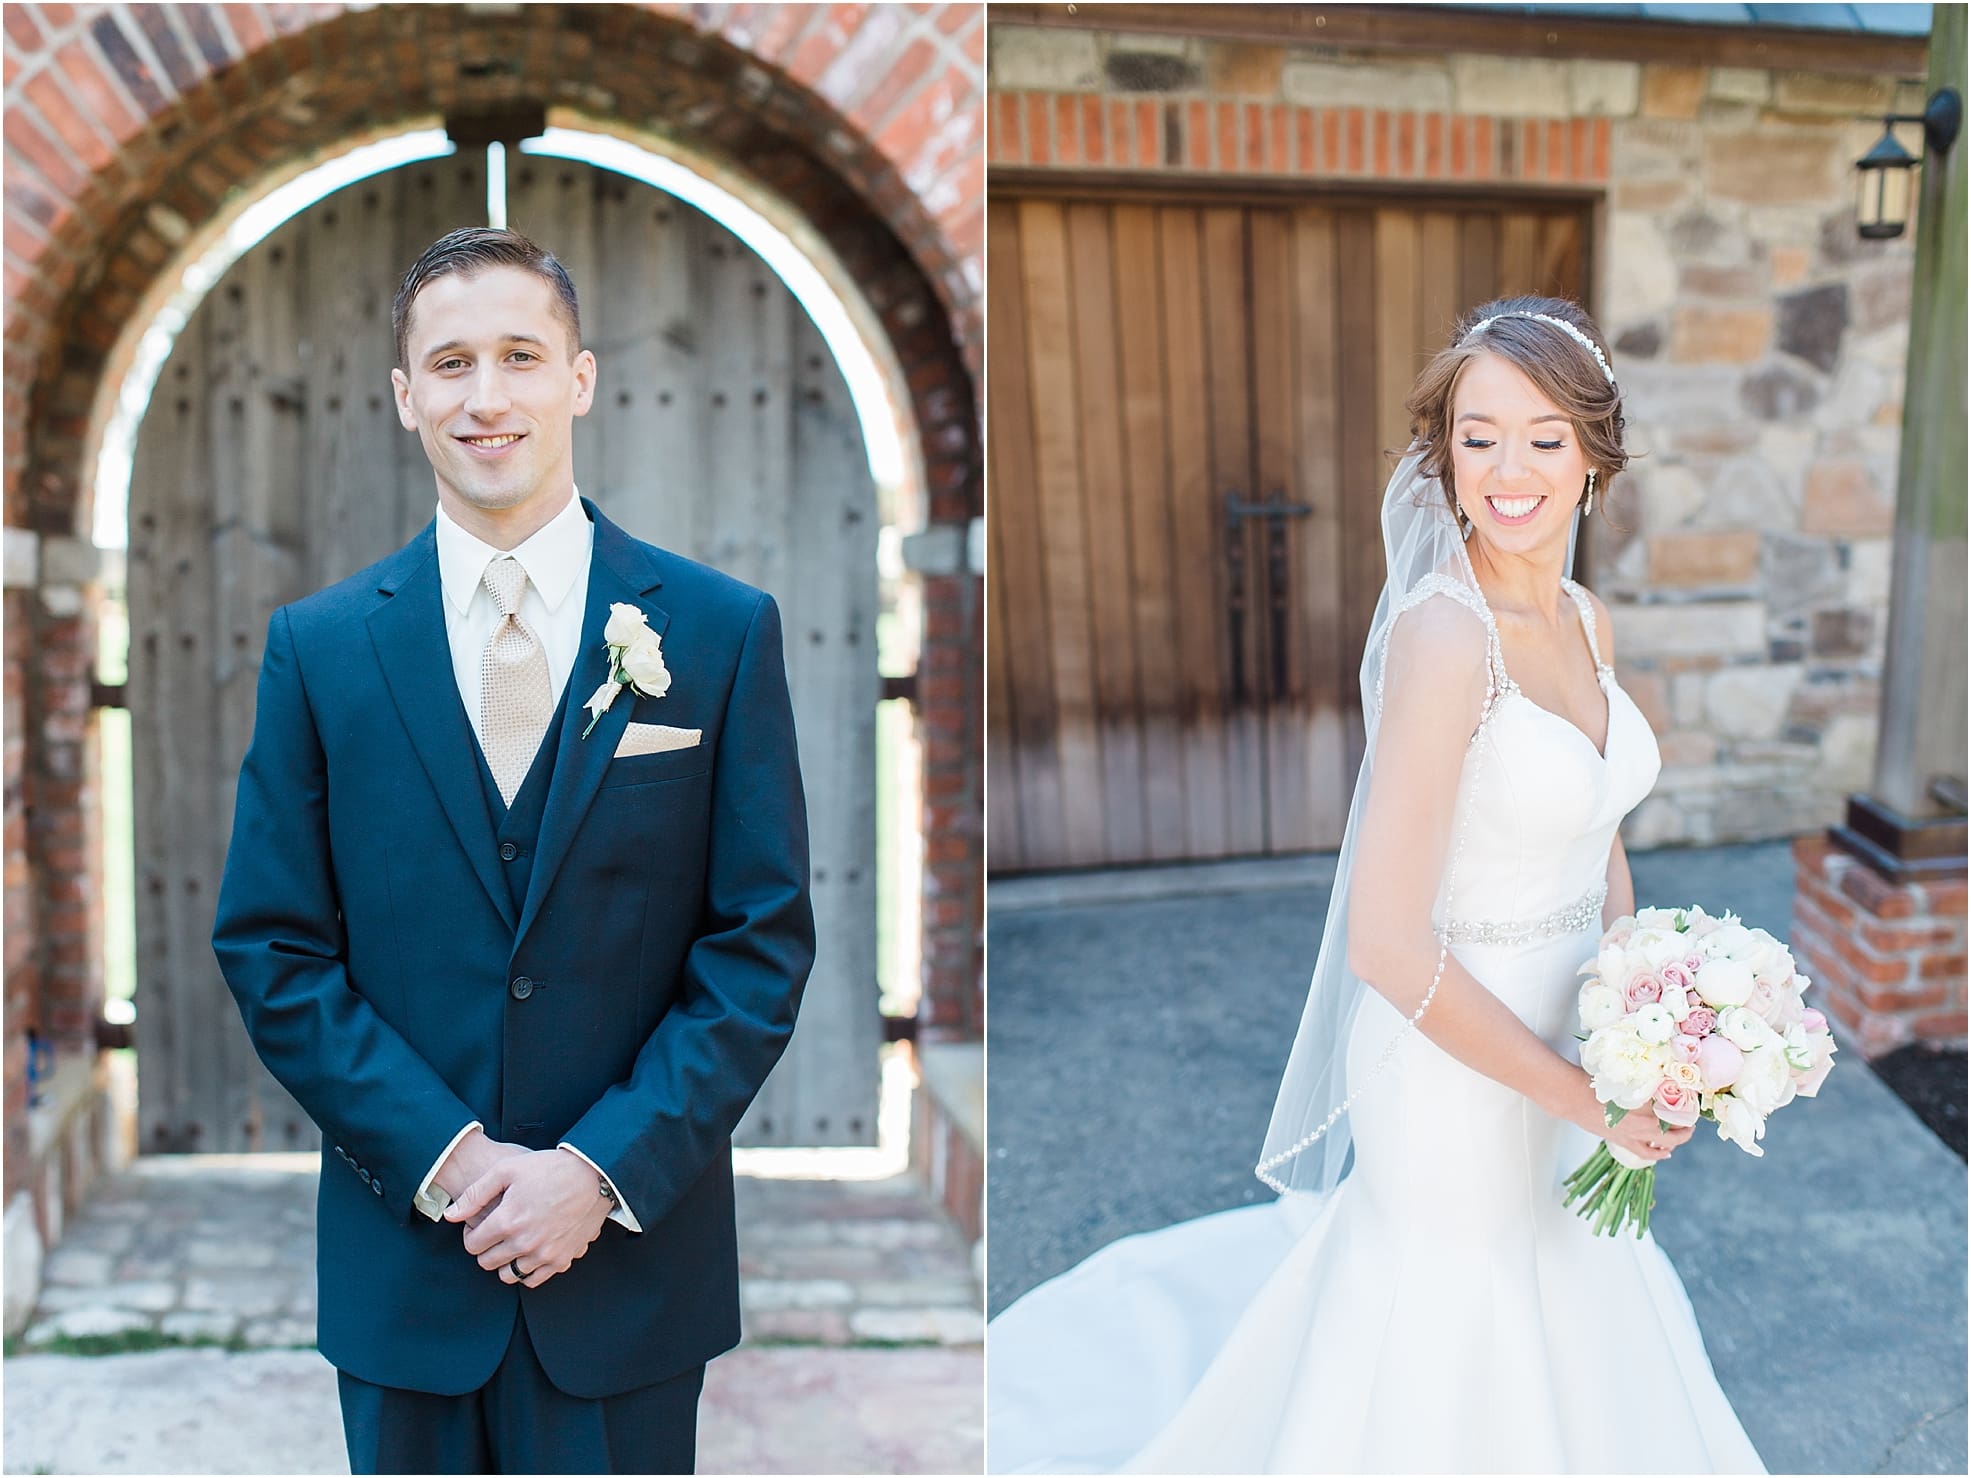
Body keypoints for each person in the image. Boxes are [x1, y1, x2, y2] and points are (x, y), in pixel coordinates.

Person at [987, 297, 1766, 1474]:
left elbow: (1599, 829)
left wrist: (1657, 1015)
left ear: (1595, 456)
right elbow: (1387, 946)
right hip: (1450, 1061)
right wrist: (1580, 1095)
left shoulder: (1586, 620)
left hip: (1581, 1035)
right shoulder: (1444, 638)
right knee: (1452, 1329)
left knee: (1578, 1299)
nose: (1511, 469)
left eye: (1546, 436)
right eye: (1479, 433)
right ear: (1442, 454)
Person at [211, 227, 814, 1474]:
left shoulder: (716, 631)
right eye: (450, 364)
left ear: (579, 379)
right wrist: (451, 1161)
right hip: (407, 1275)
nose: (486, 396)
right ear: (404, 397)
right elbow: (272, 946)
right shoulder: (319, 649)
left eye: (521, 356)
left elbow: (758, 945)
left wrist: (597, 1169)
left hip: (632, 1279)